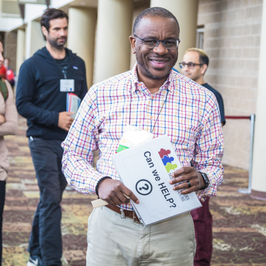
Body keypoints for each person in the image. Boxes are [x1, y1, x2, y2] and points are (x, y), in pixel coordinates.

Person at [62, 7, 224, 266]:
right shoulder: (101, 94)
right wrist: (99, 182)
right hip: (112, 227)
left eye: (169, 42)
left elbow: (213, 166)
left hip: (172, 231)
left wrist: (203, 178)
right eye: (150, 41)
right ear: (133, 42)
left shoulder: (203, 100)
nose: (160, 50)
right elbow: (72, 155)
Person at [16, 8, 87, 266]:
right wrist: (54, 117)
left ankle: (35, 252)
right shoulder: (31, 65)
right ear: (45, 30)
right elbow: (22, 105)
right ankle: (50, 260)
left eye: (65, 28)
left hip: (69, 144)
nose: (62, 33)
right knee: (51, 199)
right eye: (56, 29)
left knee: (51, 200)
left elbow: (84, 99)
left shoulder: (78, 63)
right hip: (42, 140)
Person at [180, 48, 226, 266]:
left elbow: (213, 138)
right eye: (184, 64)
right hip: (175, 166)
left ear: (203, 68)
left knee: (199, 217)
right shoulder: (179, 92)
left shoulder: (212, 96)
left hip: (198, 171)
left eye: (191, 64)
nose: (186, 68)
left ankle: (200, 261)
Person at [0, 37, 18, 266]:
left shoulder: (4, 86)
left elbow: (13, 125)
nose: (2, 59)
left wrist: (4, 119)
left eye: (2, 53)